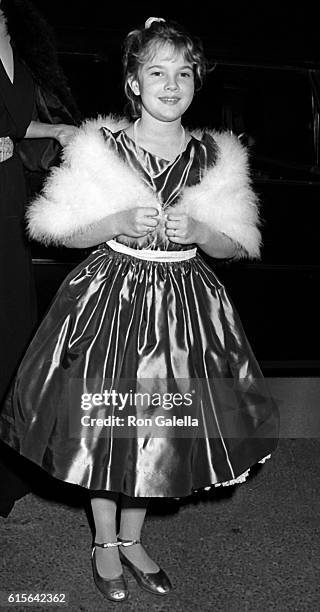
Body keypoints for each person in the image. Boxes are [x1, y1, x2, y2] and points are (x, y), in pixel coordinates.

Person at [0, 16, 279, 602]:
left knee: (157, 432)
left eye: (183, 72)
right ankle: (103, 544)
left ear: (197, 82)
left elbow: (237, 245)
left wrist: (202, 230)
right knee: (106, 429)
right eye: (156, 71)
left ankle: (132, 539)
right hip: (111, 306)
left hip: (185, 316)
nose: (170, 84)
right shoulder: (102, 148)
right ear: (133, 81)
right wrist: (115, 223)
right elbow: (60, 231)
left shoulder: (217, 156)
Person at [0, 0, 80, 517]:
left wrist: (55, 131)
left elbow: (15, 122)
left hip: (6, 206)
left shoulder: (20, 47)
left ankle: (5, 474)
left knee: (11, 333)